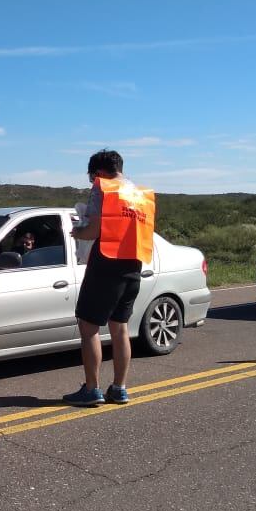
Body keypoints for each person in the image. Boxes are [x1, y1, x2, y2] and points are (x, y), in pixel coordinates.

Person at [64, 149, 155, 407]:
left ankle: (92, 389)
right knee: (120, 328)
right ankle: (120, 388)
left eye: (92, 176)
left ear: (99, 172)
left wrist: (77, 232)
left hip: (106, 263)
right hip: (133, 263)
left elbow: (93, 230)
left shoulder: (103, 189)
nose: (92, 181)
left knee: (88, 327)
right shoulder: (139, 195)